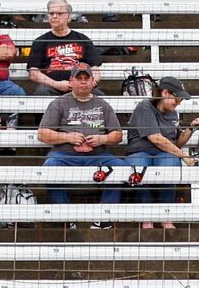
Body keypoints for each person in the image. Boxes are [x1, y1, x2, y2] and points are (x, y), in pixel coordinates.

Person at [36, 60, 129, 211]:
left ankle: (105, 215)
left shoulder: (103, 105)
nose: (83, 82)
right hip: (65, 154)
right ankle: (63, 214)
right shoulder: (58, 103)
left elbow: (118, 135)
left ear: (93, 82)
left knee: (121, 168)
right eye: (79, 79)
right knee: (49, 168)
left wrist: (103, 139)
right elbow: (42, 134)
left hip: (98, 154)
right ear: (71, 82)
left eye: (87, 79)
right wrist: (67, 137)